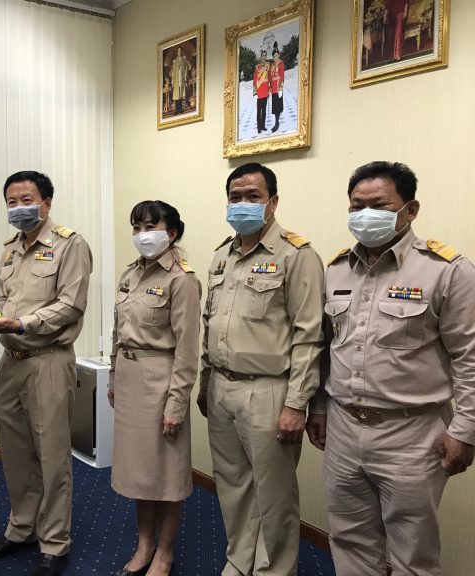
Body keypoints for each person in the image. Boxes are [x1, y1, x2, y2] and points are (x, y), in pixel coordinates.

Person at [306, 161, 475, 575]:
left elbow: (469, 357)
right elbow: (328, 349)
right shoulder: (336, 269)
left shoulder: (446, 270)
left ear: (410, 210)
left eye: (379, 205)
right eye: (356, 206)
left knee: (412, 552)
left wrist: (465, 430)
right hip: (344, 428)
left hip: (412, 434)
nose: (365, 215)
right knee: (349, 539)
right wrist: (320, 407)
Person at [198, 163, 324, 576]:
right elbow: (209, 323)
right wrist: (205, 382)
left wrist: (297, 404)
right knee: (232, 484)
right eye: (235, 197)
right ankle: (240, 560)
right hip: (222, 386)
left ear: (273, 202)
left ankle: (274, 570)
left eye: (253, 196)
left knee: (274, 494)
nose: (243, 204)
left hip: (269, 391)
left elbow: (309, 336)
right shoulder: (221, 255)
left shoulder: (296, 255)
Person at [0, 171, 93, 576]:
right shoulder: (10, 249)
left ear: (46, 202)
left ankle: (55, 543)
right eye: (11, 201)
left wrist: (22, 324)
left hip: (48, 360)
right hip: (10, 362)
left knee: (52, 456)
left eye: (26, 199)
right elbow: (5, 298)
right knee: (16, 453)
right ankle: (22, 528)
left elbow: (71, 304)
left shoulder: (70, 244)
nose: (18, 208)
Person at [108, 201, 202, 576]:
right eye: (136, 227)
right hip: (129, 379)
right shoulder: (131, 274)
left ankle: (164, 553)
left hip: (161, 383)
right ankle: (144, 545)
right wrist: (113, 376)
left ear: (172, 232)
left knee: (166, 474)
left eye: (151, 226)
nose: (142, 234)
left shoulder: (182, 279)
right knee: (140, 472)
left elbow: (187, 350)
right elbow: (117, 332)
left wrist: (176, 405)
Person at [253, 51, 271, 134]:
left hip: (265, 92)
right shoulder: (257, 67)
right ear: (261, 57)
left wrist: (269, 89)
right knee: (259, 111)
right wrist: (255, 93)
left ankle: (263, 126)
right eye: (263, 56)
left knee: (264, 110)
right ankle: (259, 127)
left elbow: (269, 78)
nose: (264, 57)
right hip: (259, 92)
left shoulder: (268, 66)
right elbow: (254, 80)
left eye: (265, 55)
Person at [269, 43, 285, 133]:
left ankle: (276, 123)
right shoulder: (272, 65)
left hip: (278, 88)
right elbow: (270, 77)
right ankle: (276, 122)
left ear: (278, 55)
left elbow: (282, 76)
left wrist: (281, 89)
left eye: (276, 55)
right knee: (275, 107)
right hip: (273, 89)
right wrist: (270, 87)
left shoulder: (280, 63)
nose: (275, 57)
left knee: (278, 106)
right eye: (274, 56)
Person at [170, 47, 190, 115]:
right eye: (178, 51)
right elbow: (173, 72)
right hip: (176, 80)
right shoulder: (175, 62)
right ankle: (177, 110)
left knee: (180, 94)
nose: (179, 52)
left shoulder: (183, 60)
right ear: (177, 53)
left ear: (181, 52)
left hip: (181, 79)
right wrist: (172, 81)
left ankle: (180, 109)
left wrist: (185, 77)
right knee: (176, 95)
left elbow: (186, 69)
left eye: (180, 51)